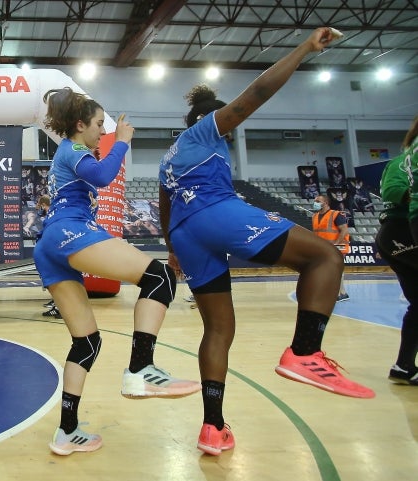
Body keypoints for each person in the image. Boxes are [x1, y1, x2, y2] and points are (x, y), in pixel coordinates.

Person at [157, 28, 375, 457]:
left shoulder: (170, 155)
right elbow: (256, 91)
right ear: (211, 118)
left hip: (186, 233)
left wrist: (172, 248)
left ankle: (213, 427)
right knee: (325, 257)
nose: (234, 122)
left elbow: (165, 208)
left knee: (218, 329)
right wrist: (306, 48)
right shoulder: (206, 131)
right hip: (216, 213)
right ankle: (305, 352)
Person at [33, 87, 201, 457]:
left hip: (50, 246)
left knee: (87, 342)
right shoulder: (74, 150)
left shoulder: (69, 153)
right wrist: (122, 141)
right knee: (159, 276)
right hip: (69, 232)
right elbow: (106, 175)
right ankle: (141, 367)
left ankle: (67, 430)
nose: (101, 132)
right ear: (80, 125)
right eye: (97, 125)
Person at [378, 115, 418, 385]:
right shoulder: (401, 162)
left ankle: (404, 366)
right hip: (400, 230)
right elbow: (392, 190)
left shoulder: (402, 159)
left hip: (397, 234)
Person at [312, 194, 350, 301]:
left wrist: (336, 245)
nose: (315, 203)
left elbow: (344, 230)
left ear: (326, 203)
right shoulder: (314, 216)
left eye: (318, 201)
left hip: (336, 246)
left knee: (333, 270)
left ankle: (336, 293)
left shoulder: (336, 214)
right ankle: (342, 292)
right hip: (323, 248)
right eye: (315, 201)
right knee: (334, 270)